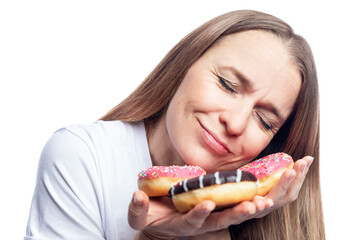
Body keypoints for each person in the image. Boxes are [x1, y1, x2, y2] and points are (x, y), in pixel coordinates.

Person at [24, 10, 325, 240]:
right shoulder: (83, 155)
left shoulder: (261, 209)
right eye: (227, 84)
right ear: (184, 65)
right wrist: (156, 235)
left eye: (264, 121)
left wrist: (212, 233)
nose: (234, 123)